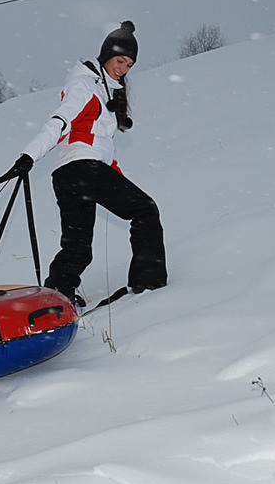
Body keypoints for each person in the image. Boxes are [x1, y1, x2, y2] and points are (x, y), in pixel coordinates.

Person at [11, 20, 167, 306]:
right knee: (145, 210)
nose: (124, 68)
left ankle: (59, 297)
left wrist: (113, 173)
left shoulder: (103, 89)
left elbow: (100, 146)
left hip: (68, 174)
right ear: (107, 55)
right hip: (83, 169)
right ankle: (148, 284)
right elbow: (59, 122)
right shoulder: (84, 86)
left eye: (130, 65)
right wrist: (29, 155)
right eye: (120, 60)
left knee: (78, 247)